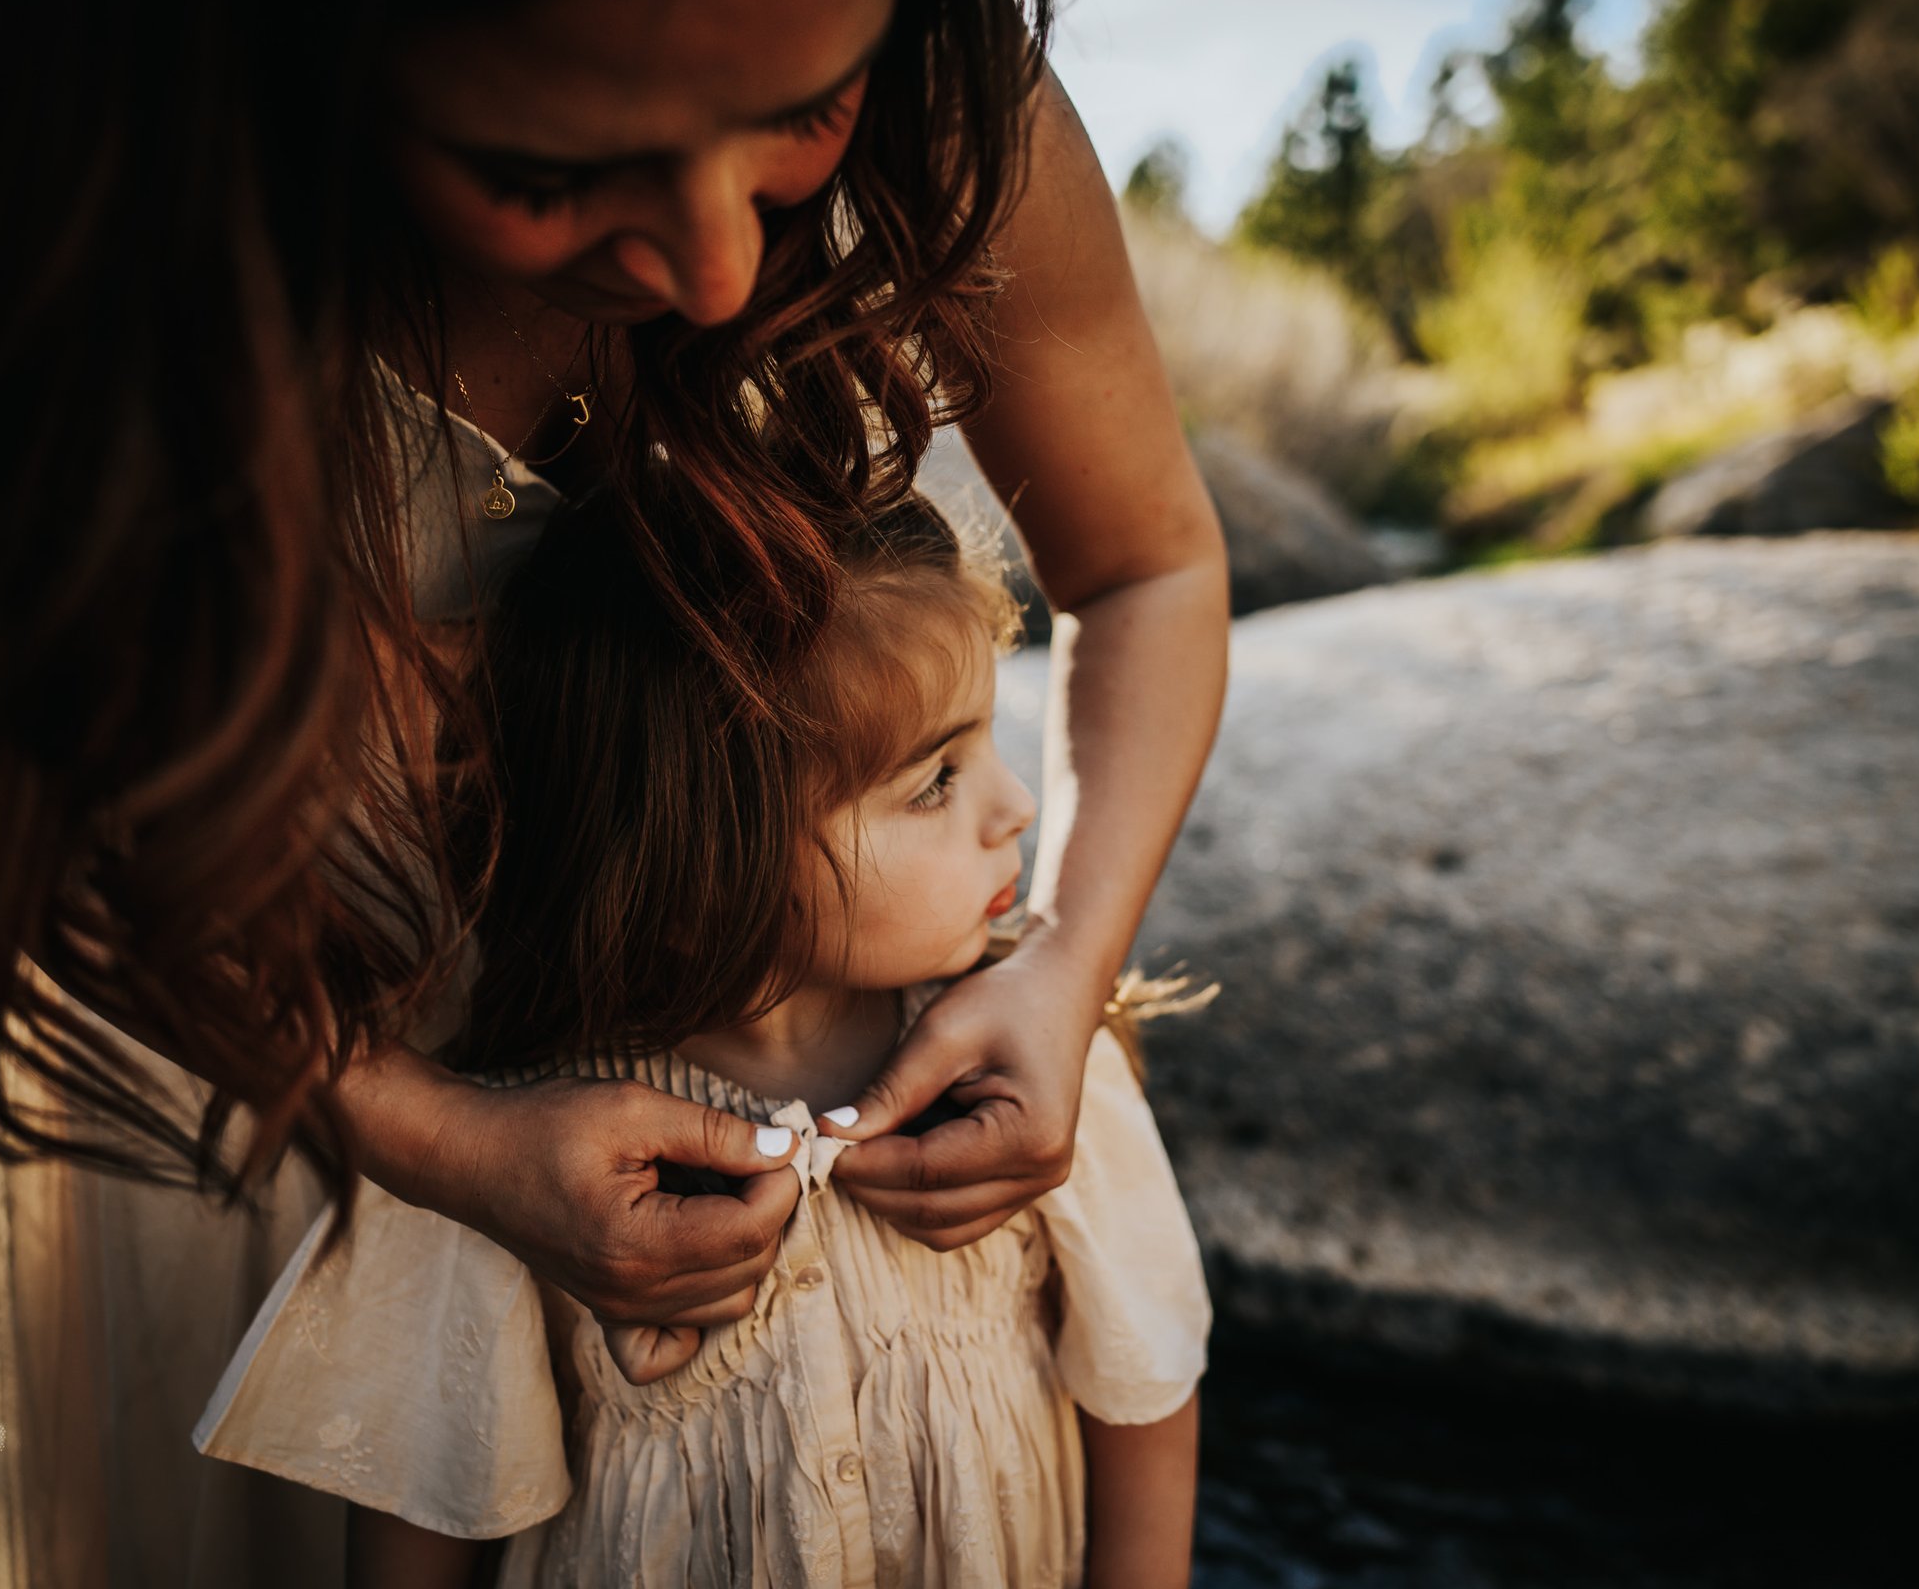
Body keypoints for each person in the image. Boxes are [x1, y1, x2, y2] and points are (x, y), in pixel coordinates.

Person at [0, 0, 1226, 1581]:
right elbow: (11, 791)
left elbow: (1149, 560)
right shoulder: (51, 92)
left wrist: (1069, 962)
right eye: (547, 171)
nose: (719, 270)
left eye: (804, 111)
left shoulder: (937, 63)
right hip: (272, 1090)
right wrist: (432, 1142)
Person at [195, 494, 1210, 1588]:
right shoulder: (509, 1163)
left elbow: (1144, 1393)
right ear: (702, 868)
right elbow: (419, 1517)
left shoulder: (1039, 1072)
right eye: (935, 781)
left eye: (988, 740)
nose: (1014, 804)